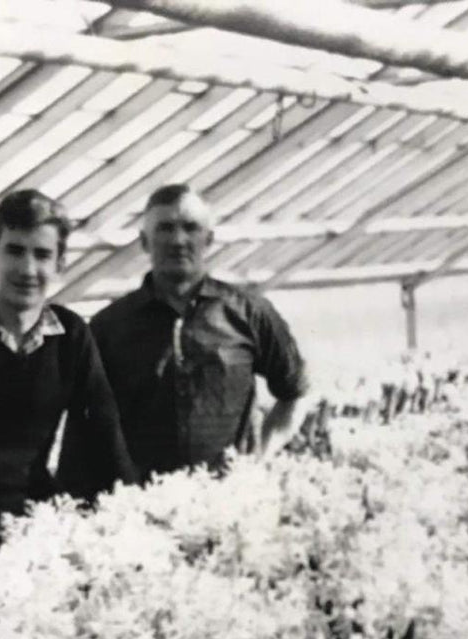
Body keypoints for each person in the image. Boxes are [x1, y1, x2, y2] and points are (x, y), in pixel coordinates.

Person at [0, 189, 138, 546]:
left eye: (42, 254)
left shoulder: (71, 336)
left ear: (59, 265)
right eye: (15, 251)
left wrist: (131, 520)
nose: (27, 269)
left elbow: (105, 439)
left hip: (35, 525)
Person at [80, 184, 308, 479]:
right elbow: (88, 425)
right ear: (144, 241)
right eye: (165, 228)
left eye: (191, 227)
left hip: (227, 499)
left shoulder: (249, 313)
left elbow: (295, 391)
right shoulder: (108, 326)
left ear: (209, 238)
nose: (178, 240)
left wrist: (258, 458)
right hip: (138, 504)